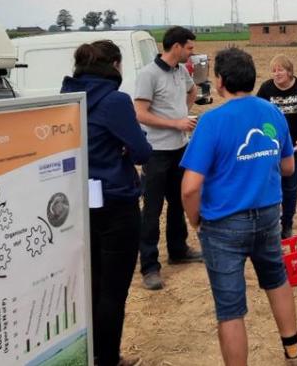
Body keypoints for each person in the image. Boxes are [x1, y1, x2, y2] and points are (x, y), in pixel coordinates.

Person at [180, 47, 297, 365]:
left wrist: (196, 220)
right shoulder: (272, 113)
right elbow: (289, 167)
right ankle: (294, 354)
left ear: (220, 81)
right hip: (267, 217)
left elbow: (190, 188)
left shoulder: (211, 122)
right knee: (277, 281)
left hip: (223, 224)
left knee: (230, 308)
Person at [61, 40, 152, 366]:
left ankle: (91, 354)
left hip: (77, 204)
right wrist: (125, 147)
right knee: (114, 290)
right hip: (116, 205)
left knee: (92, 285)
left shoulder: (67, 97)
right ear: (115, 65)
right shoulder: (115, 101)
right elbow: (142, 152)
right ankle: (108, 358)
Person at [134, 26, 202, 291]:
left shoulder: (180, 72)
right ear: (176, 47)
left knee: (178, 202)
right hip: (156, 152)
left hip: (180, 149)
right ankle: (150, 266)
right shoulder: (148, 75)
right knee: (151, 209)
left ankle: (178, 250)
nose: (191, 52)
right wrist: (176, 122)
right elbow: (140, 113)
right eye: (189, 48)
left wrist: (183, 114)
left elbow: (192, 91)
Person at [257, 54, 297, 239]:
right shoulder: (266, 88)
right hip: (272, 146)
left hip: (296, 147)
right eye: (273, 70)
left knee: (290, 186)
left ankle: (287, 224)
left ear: (289, 71)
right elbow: (259, 114)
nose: (276, 74)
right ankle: (271, 222)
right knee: (272, 183)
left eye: (280, 70)